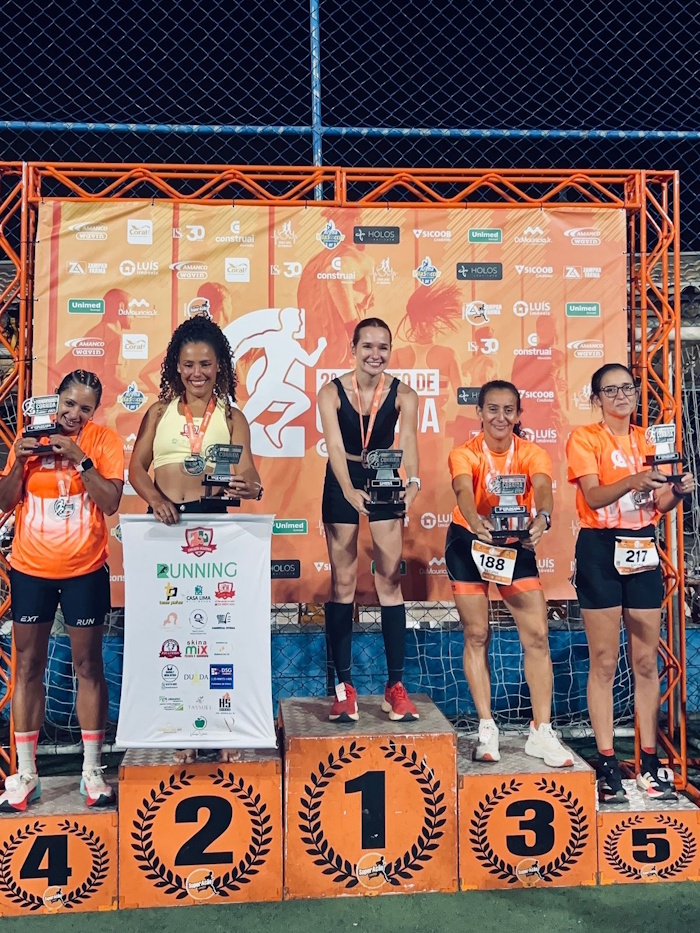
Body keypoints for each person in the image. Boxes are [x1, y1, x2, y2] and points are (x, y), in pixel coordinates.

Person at [129, 316, 262, 763]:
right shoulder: (157, 412)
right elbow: (136, 469)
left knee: (219, 636)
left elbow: (249, 472)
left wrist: (251, 487)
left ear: (220, 365)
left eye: (205, 363)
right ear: (176, 366)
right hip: (165, 526)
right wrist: (155, 499)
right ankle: (180, 730)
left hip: (213, 525)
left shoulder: (232, 417)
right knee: (174, 634)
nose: (197, 373)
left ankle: (223, 730)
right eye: (188, 364)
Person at [566, 363, 695, 803]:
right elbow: (593, 496)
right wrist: (633, 479)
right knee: (604, 661)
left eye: (627, 388)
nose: (621, 395)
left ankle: (649, 762)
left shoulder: (650, 439)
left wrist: (678, 491)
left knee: (645, 660)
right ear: (596, 398)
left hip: (641, 546)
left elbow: (659, 503)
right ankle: (607, 764)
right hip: (600, 549)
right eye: (610, 390)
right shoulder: (585, 438)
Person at [0, 370, 124, 811]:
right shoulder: (31, 439)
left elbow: (110, 502)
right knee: (28, 665)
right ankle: (26, 773)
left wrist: (80, 459)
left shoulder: (103, 441)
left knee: (88, 665)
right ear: (56, 399)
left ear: (95, 411)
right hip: (30, 569)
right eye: (68, 404)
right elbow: (5, 500)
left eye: (85, 408)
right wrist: (19, 461)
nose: (74, 414)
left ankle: (92, 770)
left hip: (84, 570)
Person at [446, 379, 572, 767]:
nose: (500, 417)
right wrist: (475, 522)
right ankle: (487, 727)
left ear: (518, 415)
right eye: (493, 409)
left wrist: (543, 516)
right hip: (469, 542)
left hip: (513, 545)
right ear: (479, 413)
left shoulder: (532, 452)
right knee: (476, 633)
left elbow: (543, 488)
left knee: (537, 635)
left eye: (508, 410)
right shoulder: (464, 453)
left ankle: (541, 731)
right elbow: (463, 492)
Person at [318, 317, 420, 723]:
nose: (375, 355)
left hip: (384, 477)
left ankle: (395, 688)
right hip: (342, 477)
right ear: (354, 348)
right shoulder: (330, 392)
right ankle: (344, 690)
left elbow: (408, 440)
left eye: (383, 347)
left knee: (389, 580)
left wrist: (413, 481)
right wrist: (347, 489)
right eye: (368, 346)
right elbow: (334, 446)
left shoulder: (404, 394)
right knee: (343, 583)